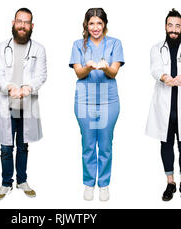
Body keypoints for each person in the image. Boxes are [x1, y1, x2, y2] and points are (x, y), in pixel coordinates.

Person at [0, 8, 47, 201]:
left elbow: (41, 75)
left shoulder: (39, 49)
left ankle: (22, 180)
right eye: (19, 21)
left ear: (32, 26)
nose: (22, 25)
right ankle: (6, 183)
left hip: (27, 104)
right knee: (6, 148)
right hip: (8, 102)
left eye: (26, 22)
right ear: (13, 23)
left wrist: (27, 88)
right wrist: (9, 87)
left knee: (23, 146)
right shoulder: (0, 48)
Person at [69, 8, 124, 201]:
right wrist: (88, 66)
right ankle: (89, 182)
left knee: (106, 144)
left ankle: (104, 184)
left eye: (99, 23)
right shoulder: (78, 45)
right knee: (88, 144)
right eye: (91, 23)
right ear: (86, 25)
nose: (95, 28)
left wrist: (105, 66)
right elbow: (78, 73)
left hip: (109, 100)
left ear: (105, 25)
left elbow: (114, 72)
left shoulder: (115, 44)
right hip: (85, 99)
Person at [146, 8, 181, 201]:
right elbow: (155, 68)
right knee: (166, 144)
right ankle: (170, 182)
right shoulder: (156, 48)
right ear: (165, 26)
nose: (174, 29)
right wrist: (164, 77)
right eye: (170, 25)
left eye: (177, 26)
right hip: (164, 106)